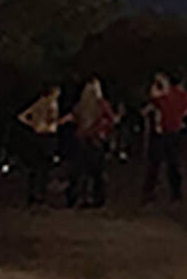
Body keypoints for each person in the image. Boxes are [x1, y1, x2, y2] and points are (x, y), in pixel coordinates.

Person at [66, 78, 120, 208]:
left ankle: (78, 197)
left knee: (81, 170)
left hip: (82, 139)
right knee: (96, 171)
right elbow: (112, 119)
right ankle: (95, 198)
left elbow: (74, 116)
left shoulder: (81, 105)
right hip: (95, 139)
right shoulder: (101, 104)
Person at [142, 71, 187, 204]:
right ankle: (176, 193)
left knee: (154, 163)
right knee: (173, 163)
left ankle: (149, 192)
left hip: (161, 132)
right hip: (175, 131)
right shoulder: (183, 96)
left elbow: (153, 103)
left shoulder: (162, 96)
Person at [17, 84, 63, 206]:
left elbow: (22, 116)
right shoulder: (51, 104)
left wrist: (33, 124)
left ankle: (32, 194)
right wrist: (60, 121)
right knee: (44, 167)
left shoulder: (39, 102)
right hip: (47, 135)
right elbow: (51, 118)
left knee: (35, 167)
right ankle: (40, 194)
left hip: (36, 134)